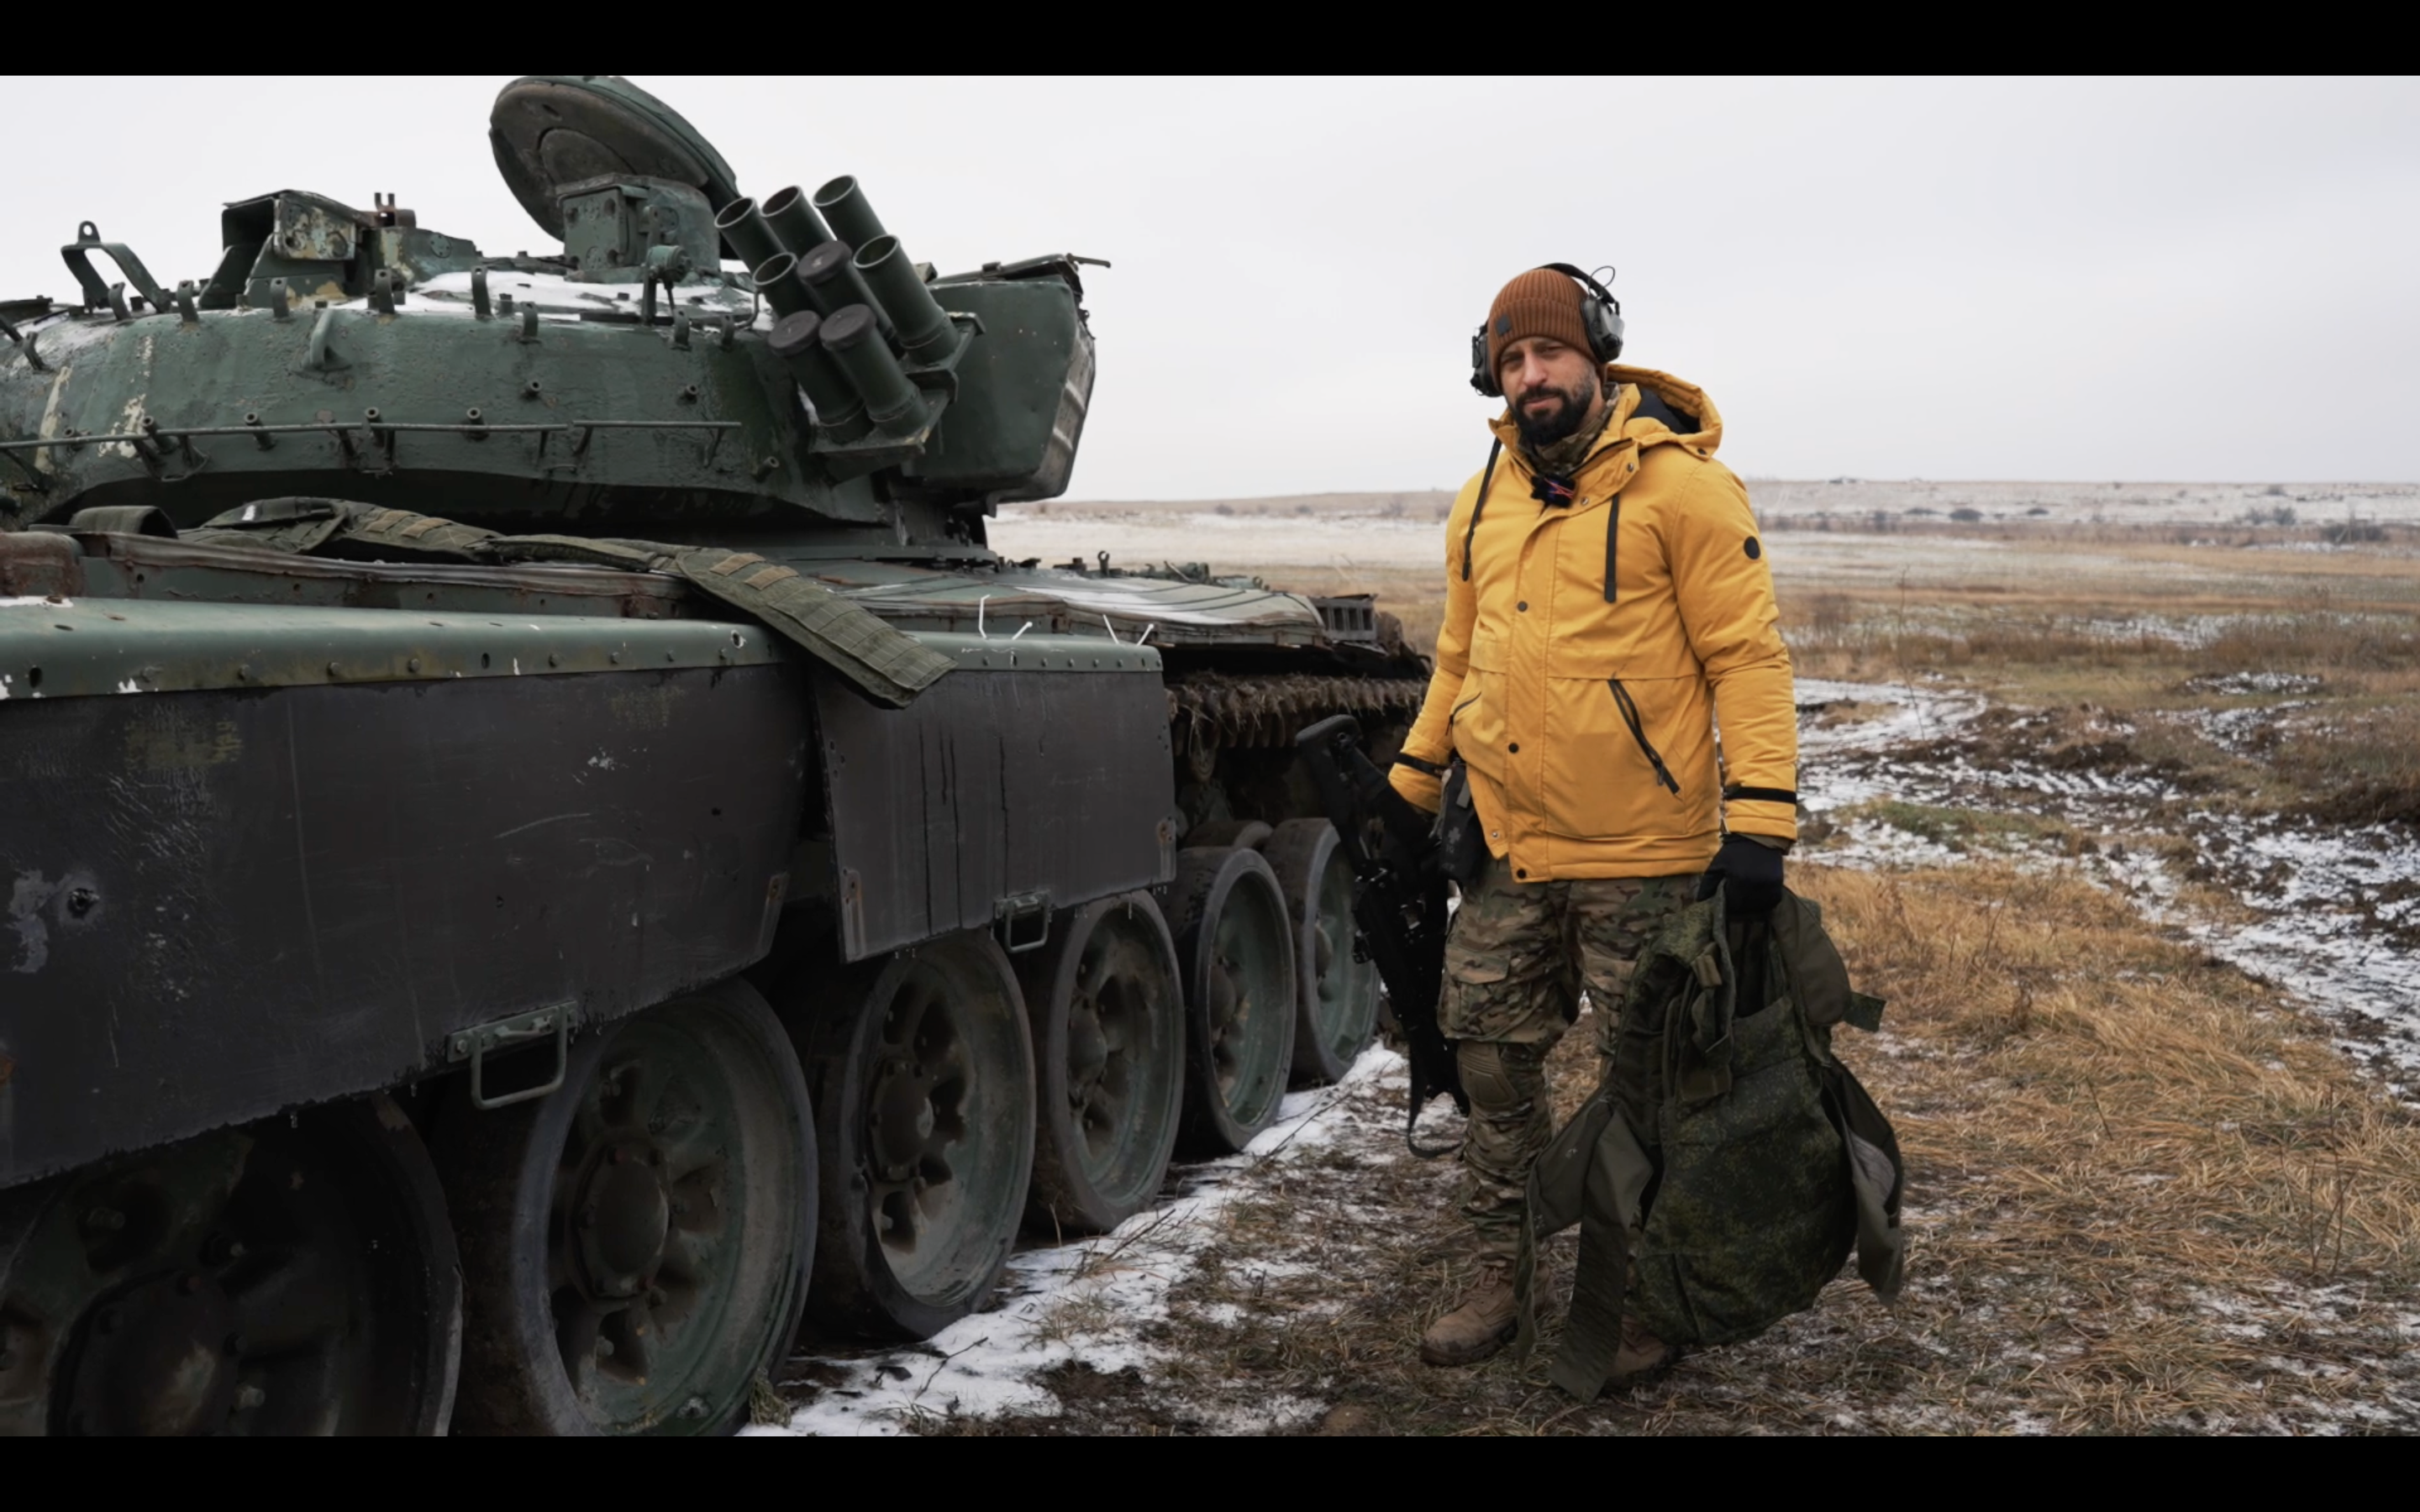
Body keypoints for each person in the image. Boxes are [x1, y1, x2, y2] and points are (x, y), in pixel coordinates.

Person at [1386, 266, 1799, 1374]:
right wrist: (1414, 782)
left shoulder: (1688, 491)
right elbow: (1461, 656)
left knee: (1649, 1089)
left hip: (1646, 858)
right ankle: (1495, 1271)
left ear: (1597, 356)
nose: (1533, 378)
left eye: (1551, 355)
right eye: (1513, 361)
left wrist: (1760, 820)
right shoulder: (1484, 499)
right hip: (1511, 854)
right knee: (1490, 1066)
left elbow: (1746, 658)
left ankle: (1645, 1297)